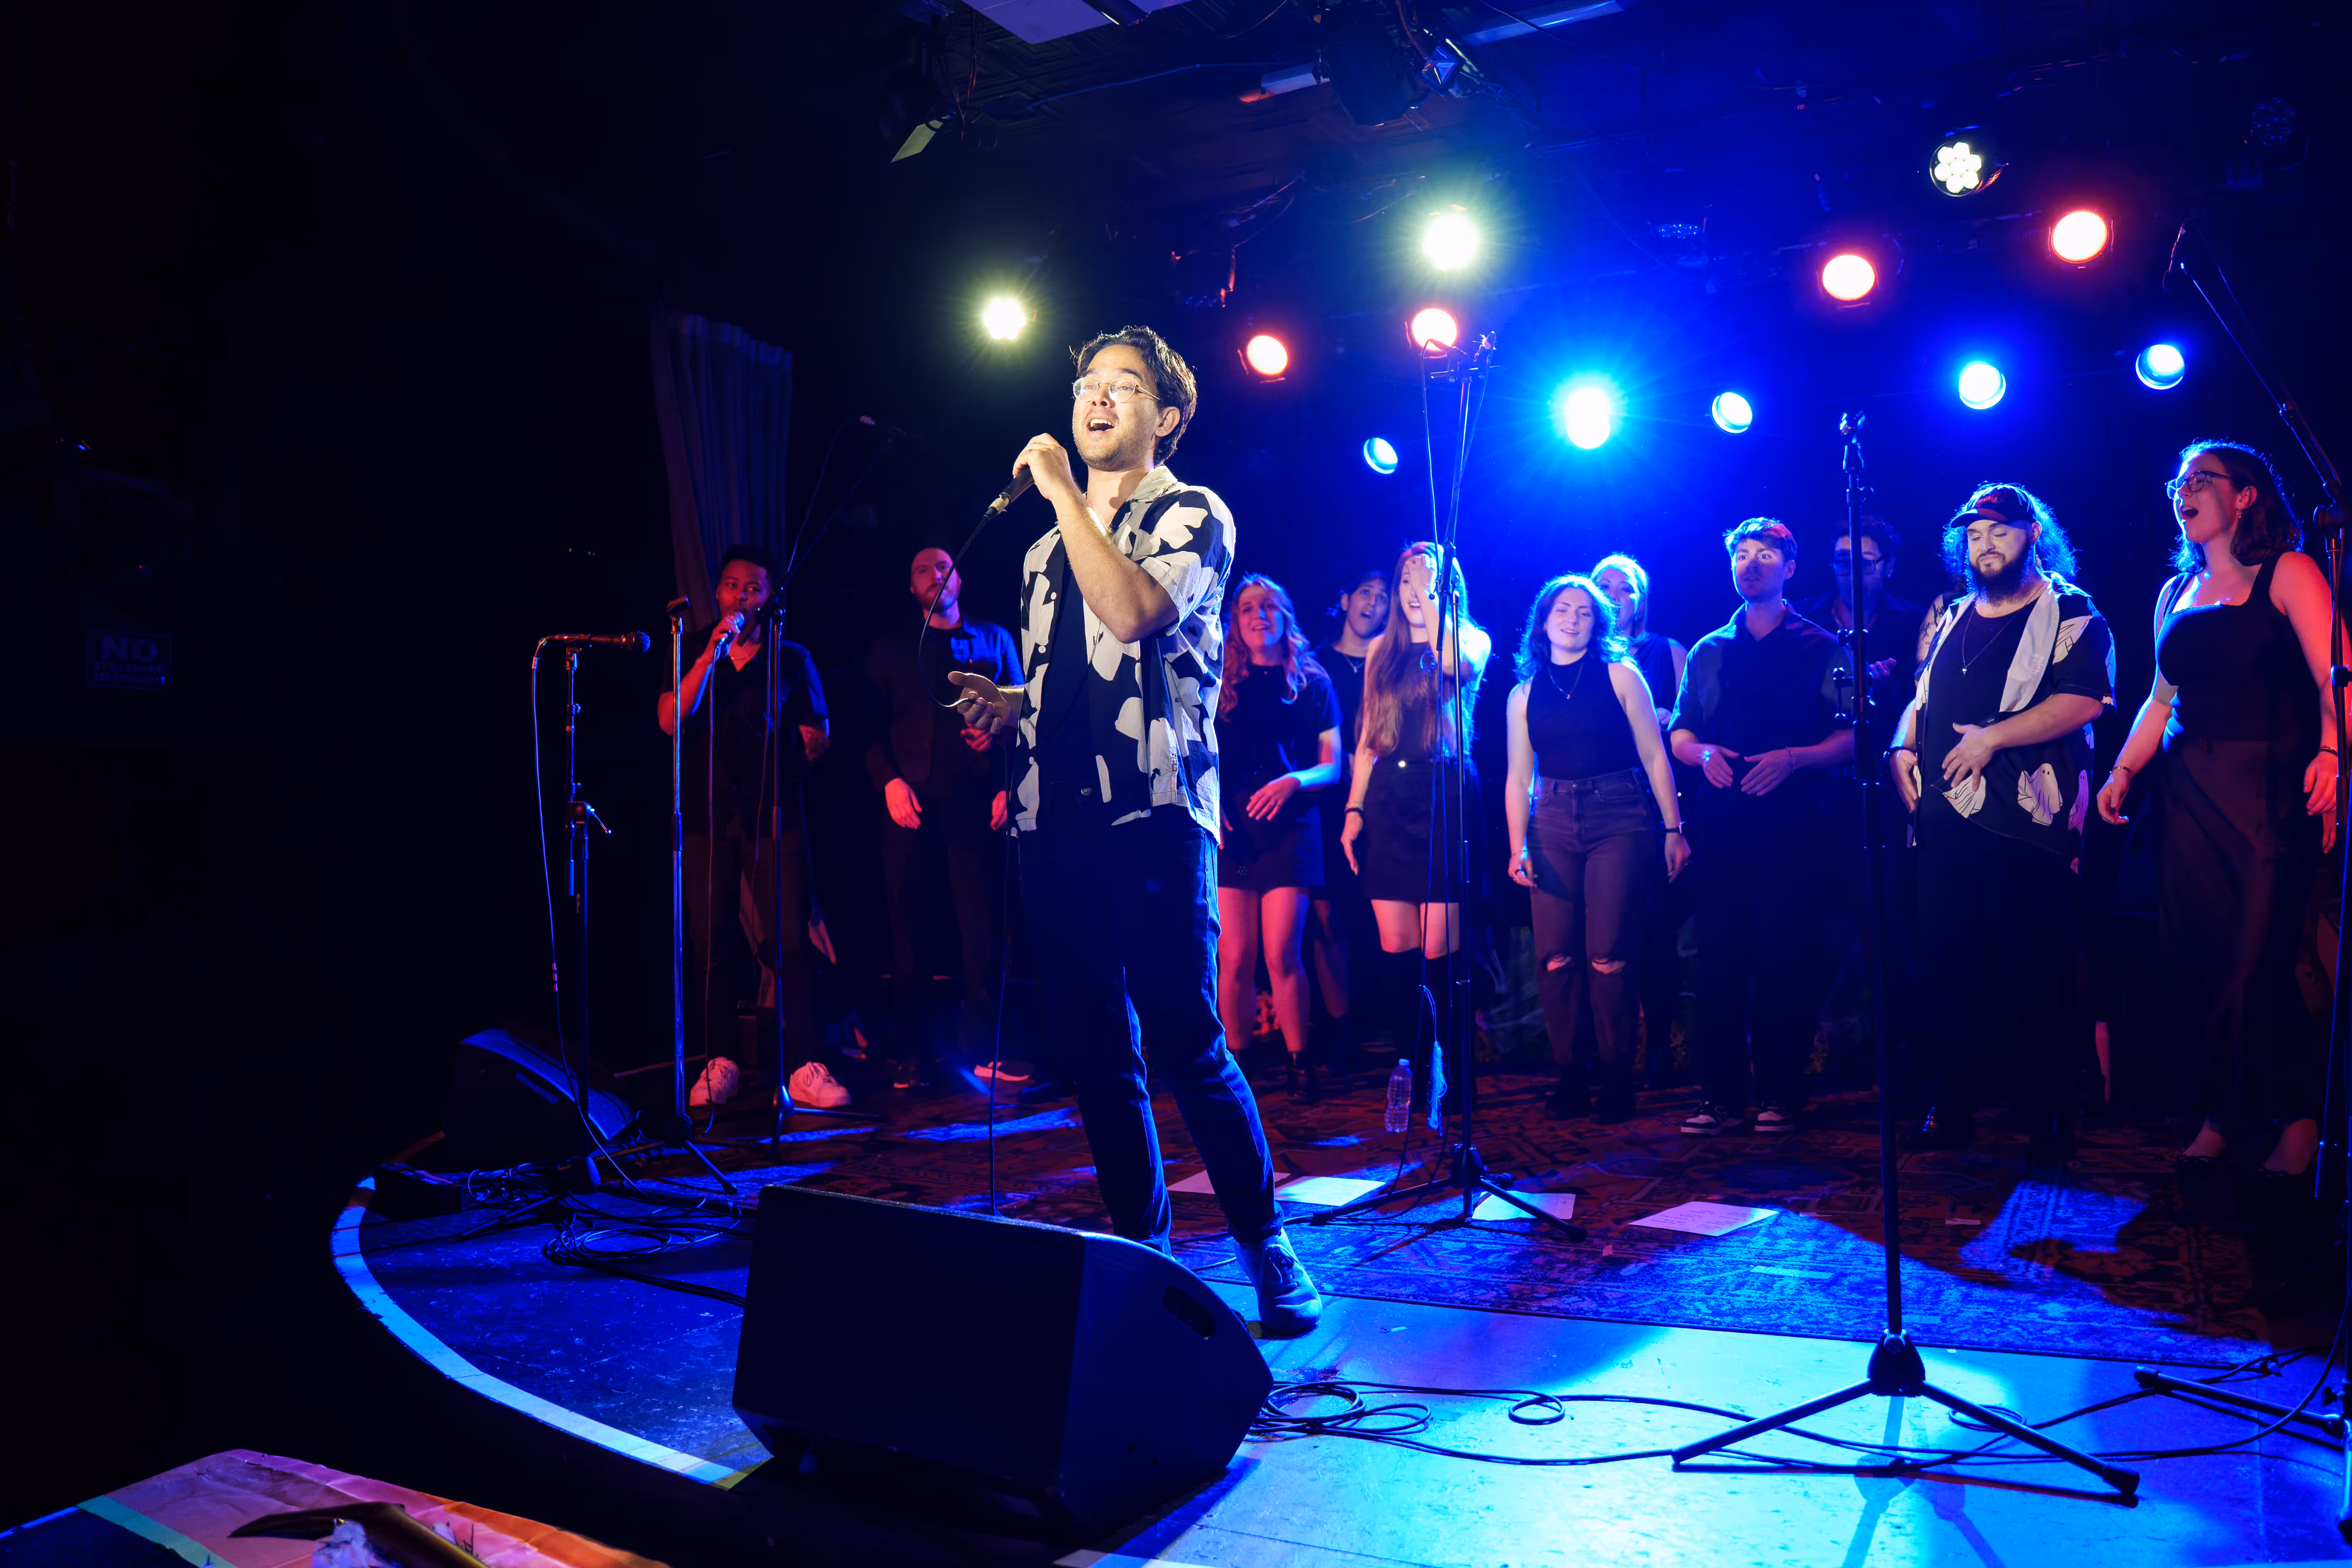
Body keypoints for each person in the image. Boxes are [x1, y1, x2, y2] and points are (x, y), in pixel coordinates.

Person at [946, 325, 1322, 1337]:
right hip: (1050, 818)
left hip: (1155, 812)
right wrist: (1011, 704)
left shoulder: (1193, 512)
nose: (1097, 398)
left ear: (1169, 417)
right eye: (1087, 384)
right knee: (1096, 1056)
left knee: (1186, 1042)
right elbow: (1077, 672)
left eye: (1124, 386)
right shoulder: (1035, 554)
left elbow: (1135, 616)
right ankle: (1144, 1261)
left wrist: (1069, 494)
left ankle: (1264, 1244)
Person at [2097, 443, 2336, 1184]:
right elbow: (2156, 699)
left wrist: (2332, 751)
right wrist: (2123, 768)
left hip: (2266, 787)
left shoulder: (2288, 572)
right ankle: (2217, 1115)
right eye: (2176, 482)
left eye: (2200, 480)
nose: (2182, 492)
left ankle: (2296, 1118)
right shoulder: (2174, 591)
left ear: (2244, 497)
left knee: (2262, 956)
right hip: (2186, 795)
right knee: (2196, 956)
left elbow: (2336, 674)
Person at [1889, 485, 2113, 1155]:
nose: (1985, 546)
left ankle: (2049, 1107)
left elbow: (2084, 701)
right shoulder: (1954, 612)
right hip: (1944, 823)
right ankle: (1952, 1099)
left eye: (2000, 533)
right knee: (1948, 965)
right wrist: (1902, 744)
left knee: (2033, 967)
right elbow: (1922, 695)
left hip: (2024, 822)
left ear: (2031, 536)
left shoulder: (2072, 610)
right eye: (1975, 536)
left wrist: (1990, 738)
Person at [1669, 520, 1854, 1135]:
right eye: (1742, 554)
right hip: (1722, 825)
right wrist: (1700, 756)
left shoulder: (1821, 645)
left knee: (1786, 958)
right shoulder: (1708, 649)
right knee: (1719, 959)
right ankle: (1719, 1095)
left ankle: (1782, 1091)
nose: (1752, 564)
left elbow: (1852, 735)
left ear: (1790, 567)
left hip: (1791, 826)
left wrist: (1795, 758)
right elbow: (1681, 732)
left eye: (1765, 554)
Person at [657, 543, 844, 1110]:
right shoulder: (690, 647)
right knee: (710, 942)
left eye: (754, 588)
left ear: (768, 598)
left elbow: (820, 733)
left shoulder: (791, 656)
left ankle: (805, 1065)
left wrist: (792, 756)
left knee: (790, 940)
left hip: (773, 817)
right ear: (718, 592)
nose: (743, 595)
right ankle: (719, 1060)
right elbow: (671, 719)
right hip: (708, 818)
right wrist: (708, 657)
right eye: (734, 585)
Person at [1503, 575, 1690, 1122]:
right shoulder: (1523, 693)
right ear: (1543, 620)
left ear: (1599, 621)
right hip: (1552, 819)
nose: (1572, 618)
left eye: (1585, 612)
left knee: (1608, 955)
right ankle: (1571, 1071)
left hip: (1619, 815)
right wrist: (1517, 844)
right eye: (1562, 609)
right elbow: (1518, 778)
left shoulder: (1621, 674)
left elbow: (1656, 756)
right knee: (1555, 956)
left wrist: (1673, 829)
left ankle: (1616, 1073)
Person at [1338, 541, 1492, 1118]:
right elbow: (1368, 738)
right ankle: (1410, 1068)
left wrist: (1437, 601)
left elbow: (1456, 664)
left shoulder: (1466, 636)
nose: (1411, 590)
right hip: (1388, 799)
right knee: (1396, 949)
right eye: (1406, 578)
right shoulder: (1382, 649)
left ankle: (1454, 1077)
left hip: (1444, 793)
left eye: (1424, 579)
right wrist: (1353, 812)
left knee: (1438, 952)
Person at [864, 544, 1020, 1092]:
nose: (936, 573)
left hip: (978, 801)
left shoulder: (996, 638)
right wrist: (889, 781)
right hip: (912, 803)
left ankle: (983, 1048)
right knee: (911, 929)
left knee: (984, 930)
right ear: (912, 588)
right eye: (923, 568)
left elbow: (1023, 715)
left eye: (944, 565)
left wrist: (1008, 781)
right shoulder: (891, 647)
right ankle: (912, 1051)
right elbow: (868, 727)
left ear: (960, 578)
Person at [1216, 575, 1344, 1101]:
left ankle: (1298, 1062)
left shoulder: (1313, 681)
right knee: (1236, 954)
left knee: (1282, 953)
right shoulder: (1218, 680)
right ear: (1235, 622)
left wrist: (1293, 780)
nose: (1258, 615)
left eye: (1268, 606)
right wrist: (1213, 800)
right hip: (1237, 833)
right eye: (1247, 608)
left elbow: (1332, 767)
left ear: (1285, 615)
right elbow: (1195, 751)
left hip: (1290, 829)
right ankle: (1237, 1065)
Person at [1592, 553, 1691, 1084]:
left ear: (1640, 600)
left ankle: (1658, 1046)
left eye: (1623, 588)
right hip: (1591, 807)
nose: (1612, 594)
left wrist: (1666, 718)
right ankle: (1607, 1049)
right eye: (1601, 585)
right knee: (1605, 937)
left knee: (1655, 932)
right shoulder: (1577, 655)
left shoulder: (1666, 651)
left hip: (1651, 805)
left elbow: (1691, 721)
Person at [1309, 568, 1391, 1069]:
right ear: (1345, 598)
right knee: (1328, 917)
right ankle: (1338, 1030)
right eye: (1366, 593)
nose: (1374, 604)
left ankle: (1383, 1022)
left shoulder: (1394, 659)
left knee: (1379, 917)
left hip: (1382, 801)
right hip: (1326, 802)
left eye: (1384, 598)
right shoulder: (1316, 663)